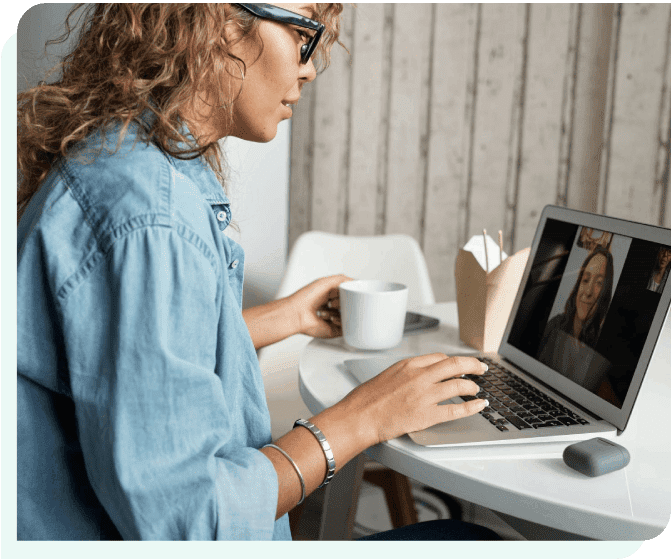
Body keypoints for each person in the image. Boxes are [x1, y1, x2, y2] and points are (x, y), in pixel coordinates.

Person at [17, 3, 498, 541]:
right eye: (303, 34)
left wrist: (288, 316)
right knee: (473, 540)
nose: (309, 67)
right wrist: (361, 418)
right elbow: (192, 522)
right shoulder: (150, 220)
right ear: (221, 22)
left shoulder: (130, 167)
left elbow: (136, 369)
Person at [537, 248, 614, 393]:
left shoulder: (601, 347)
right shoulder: (555, 325)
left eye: (598, 283)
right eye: (585, 280)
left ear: (606, 292)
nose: (588, 291)